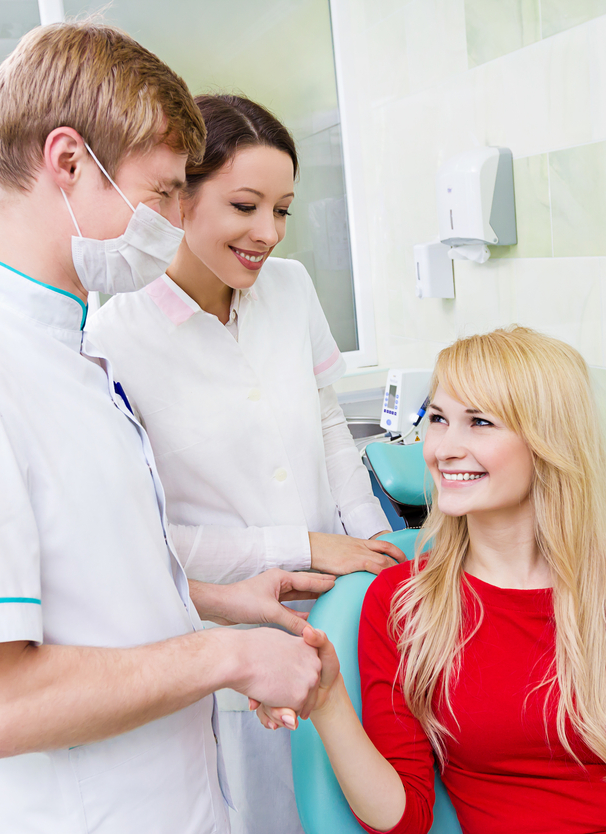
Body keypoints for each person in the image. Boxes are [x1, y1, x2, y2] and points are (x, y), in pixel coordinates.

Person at [0, 23, 334, 834]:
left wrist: (220, 602)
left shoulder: (68, 355)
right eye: (159, 195)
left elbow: (80, 583)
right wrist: (225, 654)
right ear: (70, 161)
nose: (172, 220)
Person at [257, 326, 606, 833]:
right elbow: (402, 819)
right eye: (437, 418)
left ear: (548, 442)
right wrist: (329, 704)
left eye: (479, 422)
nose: (444, 448)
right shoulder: (403, 601)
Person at [86, 94, 403, 834]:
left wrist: (375, 560)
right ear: (179, 197)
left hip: (343, 613)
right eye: (244, 205)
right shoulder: (113, 339)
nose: (268, 233)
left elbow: (329, 426)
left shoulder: (287, 287)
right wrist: (301, 547)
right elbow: (150, 539)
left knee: (367, 802)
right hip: (229, 651)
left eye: (284, 209)